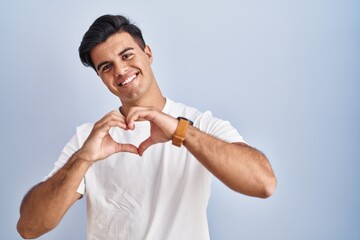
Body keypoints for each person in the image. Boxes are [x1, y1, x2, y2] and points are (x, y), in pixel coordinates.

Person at [17, 14, 276, 239]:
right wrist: (84, 158)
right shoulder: (88, 139)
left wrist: (181, 132)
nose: (120, 70)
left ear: (148, 54)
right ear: (101, 77)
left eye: (126, 55)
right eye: (106, 66)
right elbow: (29, 227)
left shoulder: (200, 124)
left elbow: (263, 183)